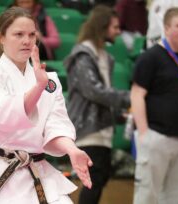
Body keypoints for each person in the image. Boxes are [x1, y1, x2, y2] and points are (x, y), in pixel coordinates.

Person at [0, 7, 93, 204]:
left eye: (31, 34)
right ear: (1, 37)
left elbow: (55, 126)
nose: (27, 41)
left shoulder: (49, 81)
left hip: (36, 170)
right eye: (18, 34)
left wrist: (71, 150)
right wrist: (38, 87)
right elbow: (7, 117)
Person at [64, 5, 130, 204]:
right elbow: (93, 91)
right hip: (88, 128)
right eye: (115, 27)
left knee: (99, 179)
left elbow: (103, 93)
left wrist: (119, 115)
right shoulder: (82, 55)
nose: (118, 31)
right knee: (94, 180)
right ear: (102, 27)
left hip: (102, 128)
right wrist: (130, 98)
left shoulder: (105, 56)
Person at [131, 7, 178, 204]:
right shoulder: (151, 56)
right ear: (166, 28)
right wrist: (145, 133)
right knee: (147, 196)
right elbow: (137, 94)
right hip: (157, 136)